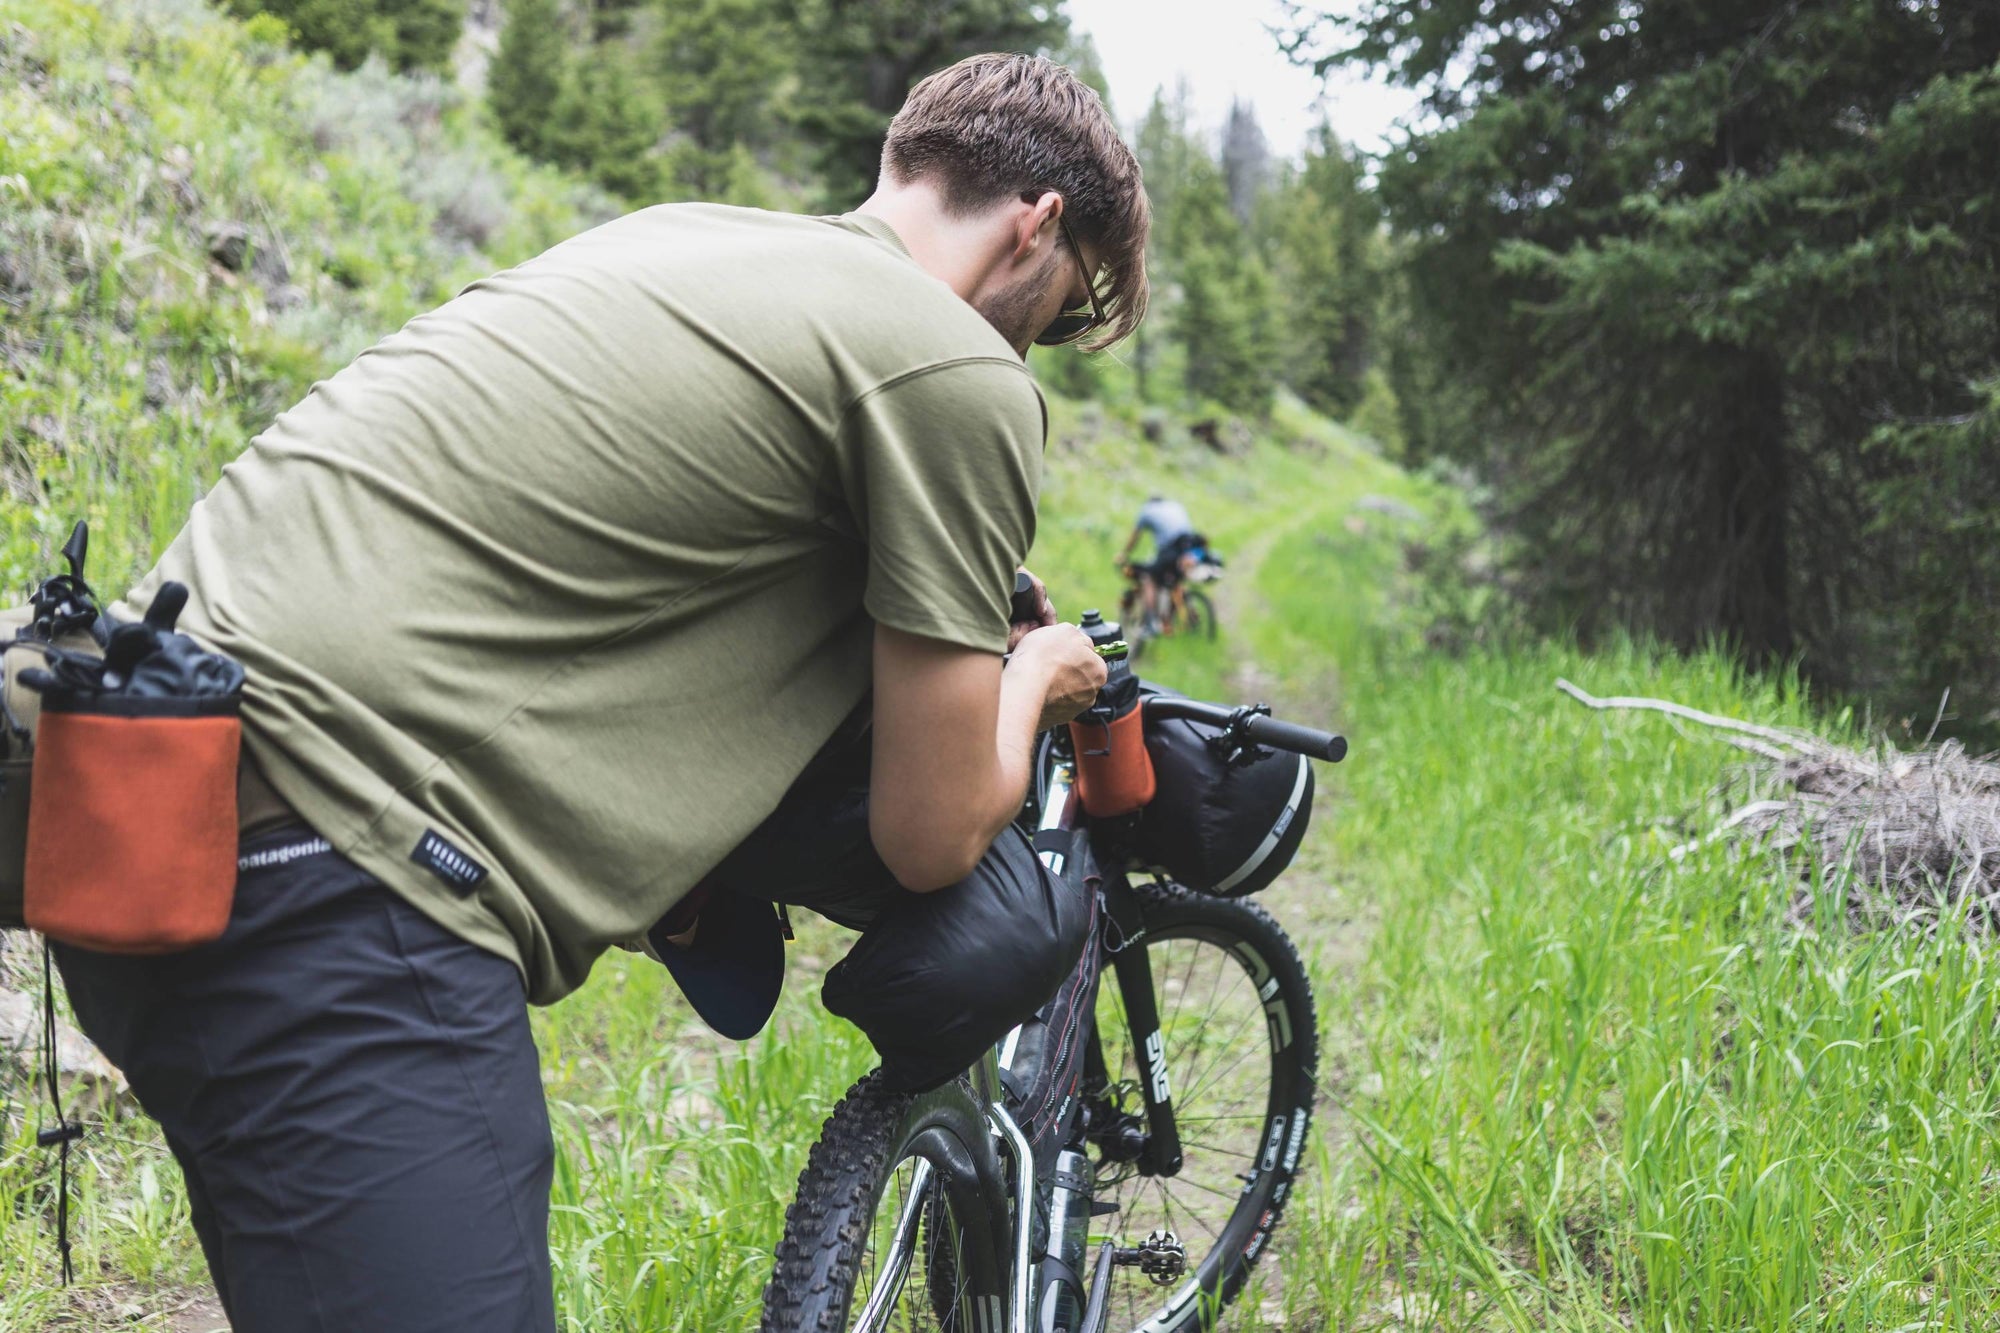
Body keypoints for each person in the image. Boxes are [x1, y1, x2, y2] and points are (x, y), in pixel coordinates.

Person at [48, 53, 1148, 1333]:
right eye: (1067, 312)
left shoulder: (681, 241)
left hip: (137, 784)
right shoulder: (954, 368)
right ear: (1038, 224)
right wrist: (1036, 674)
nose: (1043, 341)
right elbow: (931, 830)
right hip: (343, 878)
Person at [1117, 494, 1199, 630]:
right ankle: (1174, 619)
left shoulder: (1146, 510)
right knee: (1175, 579)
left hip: (1170, 547)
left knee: (1149, 577)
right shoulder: (1174, 505)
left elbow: (1134, 537)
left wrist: (1124, 553)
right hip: (1189, 544)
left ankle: (1150, 623)